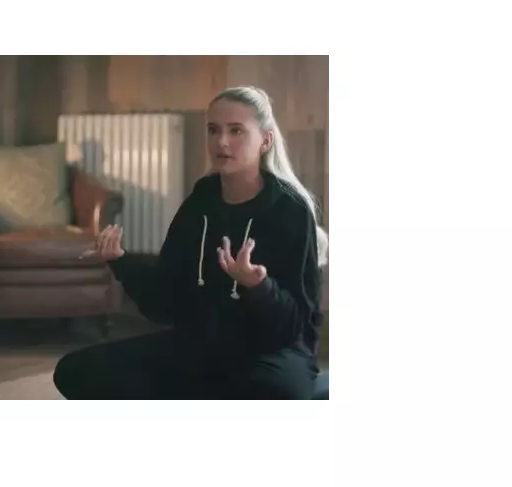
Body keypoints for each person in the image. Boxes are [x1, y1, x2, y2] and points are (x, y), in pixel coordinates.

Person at [53, 86, 328, 400]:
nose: (221, 141)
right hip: (202, 345)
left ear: (265, 141)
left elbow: (295, 325)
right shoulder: (201, 201)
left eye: (236, 130)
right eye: (213, 130)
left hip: (271, 352)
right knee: (76, 370)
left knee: (270, 391)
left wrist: (258, 287)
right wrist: (120, 261)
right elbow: (164, 302)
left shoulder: (291, 210)